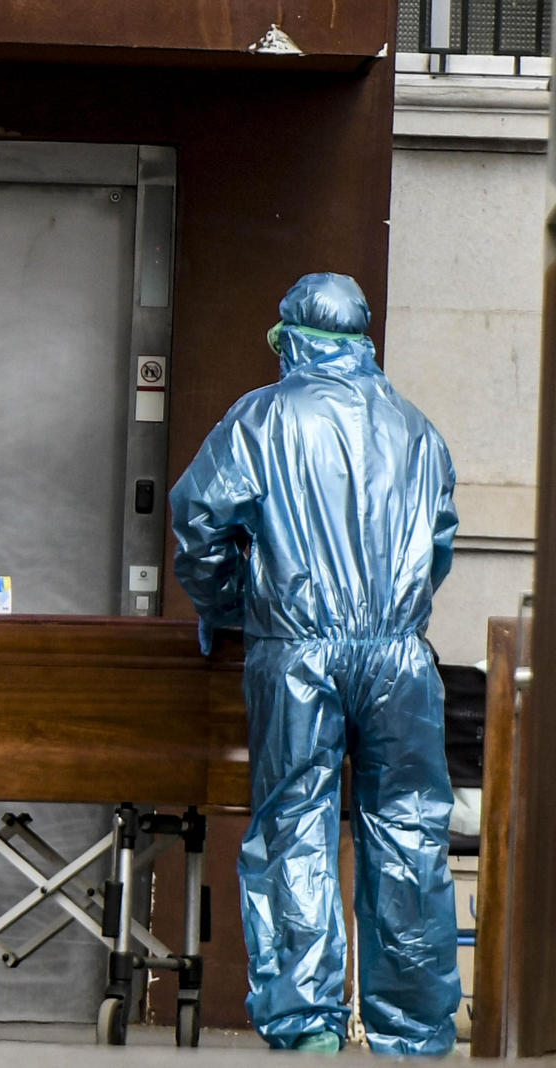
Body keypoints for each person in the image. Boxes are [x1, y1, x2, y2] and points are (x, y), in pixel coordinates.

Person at [169, 273, 459, 1055]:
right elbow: (438, 543)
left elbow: (198, 519)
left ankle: (306, 1026)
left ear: (293, 340)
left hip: (294, 651)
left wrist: (230, 604)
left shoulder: (261, 418)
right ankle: (414, 1034)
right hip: (399, 657)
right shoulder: (416, 429)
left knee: (296, 827)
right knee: (408, 833)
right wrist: (395, 613)